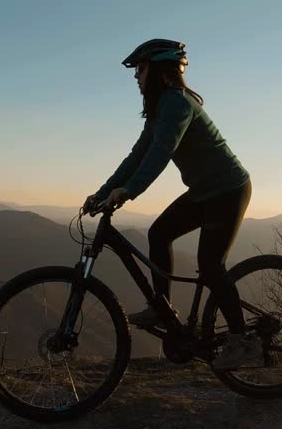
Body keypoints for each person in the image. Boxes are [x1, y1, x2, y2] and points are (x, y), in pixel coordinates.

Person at [83, 39, 259, 370]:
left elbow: (160, 153)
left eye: (141, 69)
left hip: (228, 190)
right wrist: (103, 191)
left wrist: (129, 191)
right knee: (159, 232)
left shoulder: (177, 104)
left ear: (159, 69)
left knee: (210, 264)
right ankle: (162, 308)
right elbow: (137, 156)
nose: (136, 76)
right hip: (205, 190)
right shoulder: (161, 108)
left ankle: (244, 341)